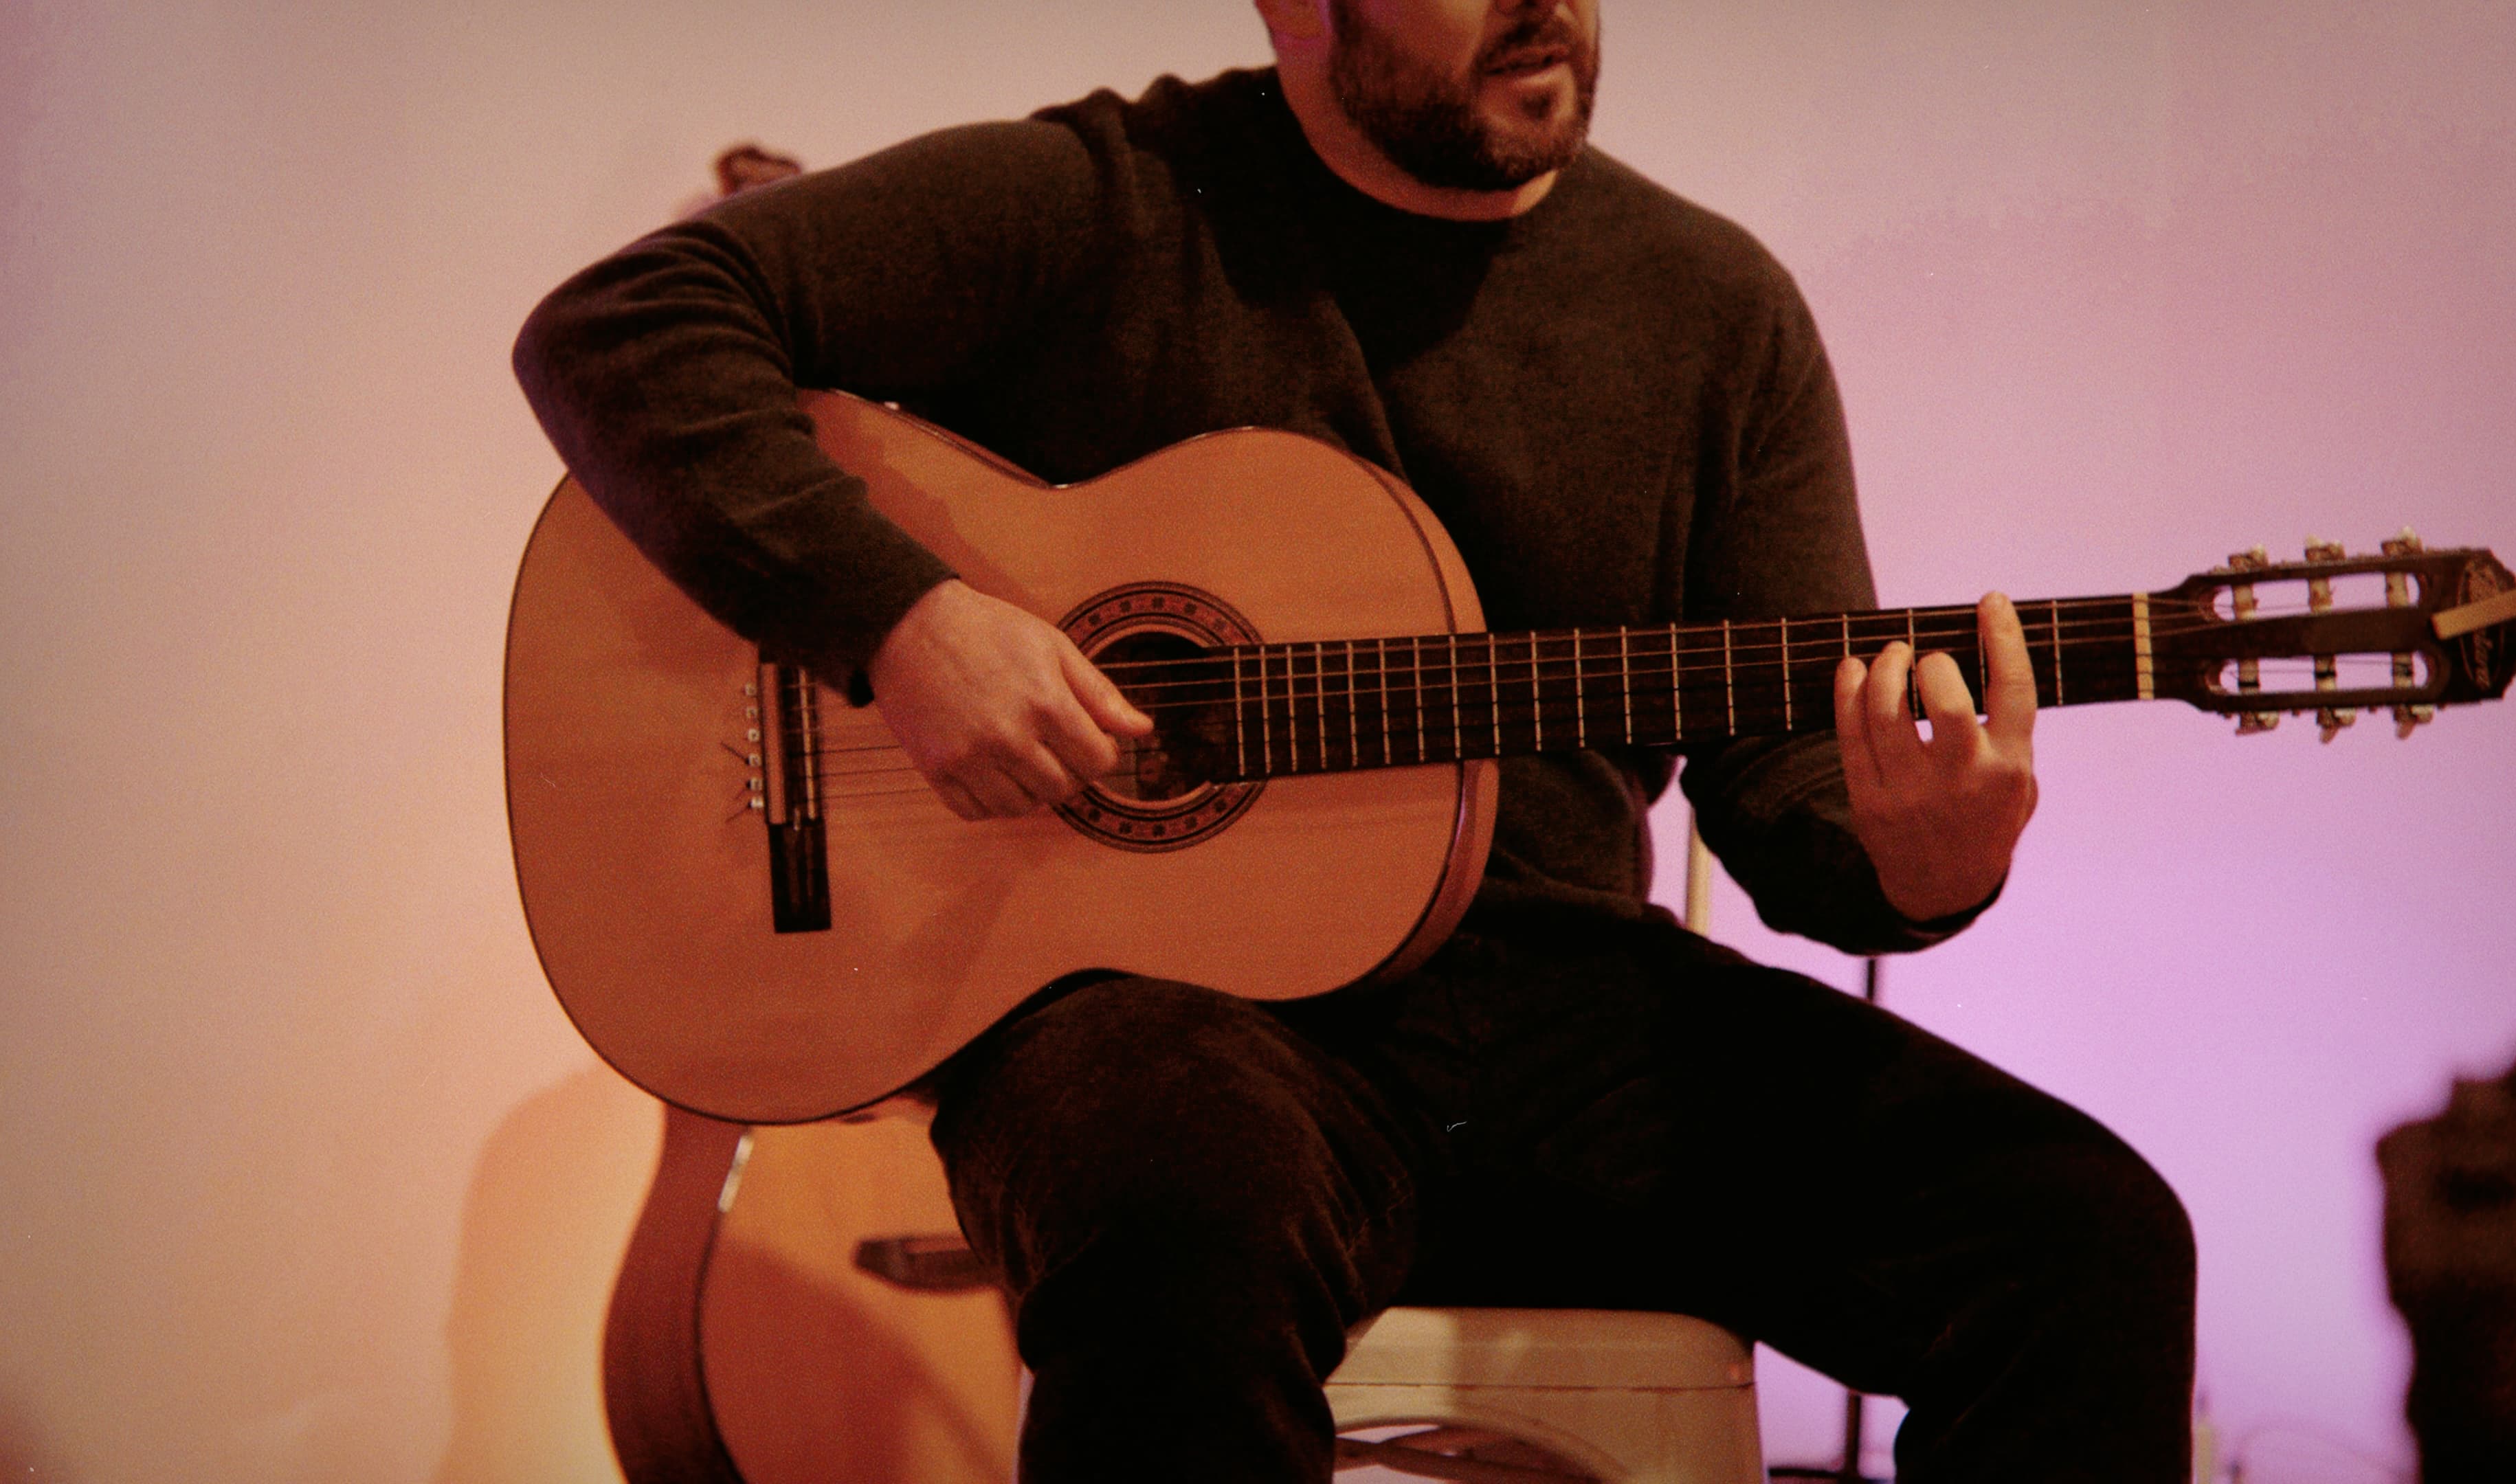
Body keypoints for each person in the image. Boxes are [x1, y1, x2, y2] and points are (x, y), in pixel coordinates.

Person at [514, 1, 2196, 1478]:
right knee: (1181, 1224)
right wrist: (900, 624)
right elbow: (620, 330)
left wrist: (1923, 859)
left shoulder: (1713, 308)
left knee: (2086, 1243)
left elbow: (1788, 802)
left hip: (1568, 1015)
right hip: (1172, 1020)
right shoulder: (1107, 202)